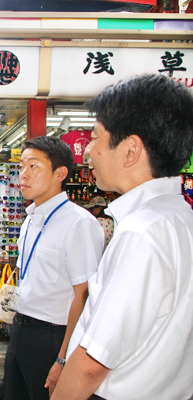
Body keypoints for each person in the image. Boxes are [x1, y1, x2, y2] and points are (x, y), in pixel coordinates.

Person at [52, 74, 193, 400]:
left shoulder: (142, 232)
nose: (88, 150)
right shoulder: (180, 217)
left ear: (130, 150)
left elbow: (93, 362)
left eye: (96, 137)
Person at [4, 136, 104, 400]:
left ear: (60, 173)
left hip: (52, 337)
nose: (23, 175)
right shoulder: (29, 221)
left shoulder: (78, 223)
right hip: (20, 329)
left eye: (33, 166)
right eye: (21, 166)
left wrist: (63, 358)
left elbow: (84, 295)